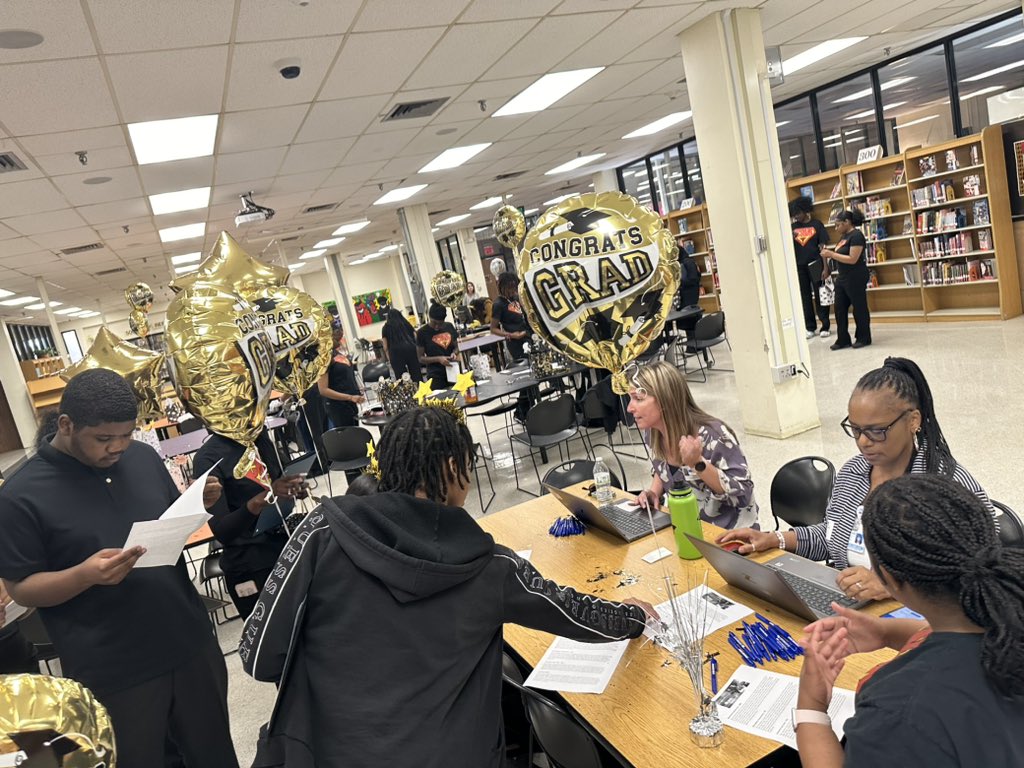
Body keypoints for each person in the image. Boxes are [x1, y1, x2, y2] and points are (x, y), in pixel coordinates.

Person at [239, 406, 658, 767]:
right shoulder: (490, 566)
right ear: (451, 472)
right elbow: (569, 611)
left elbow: (258, 657)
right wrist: (633, 616)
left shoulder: (320, 530)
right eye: (468, 469)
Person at [0, 369, 238, 768]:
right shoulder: (20, 494)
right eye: (104, 439)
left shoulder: (142, 457)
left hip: (189, 643)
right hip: (115, 667)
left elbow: (164, 524)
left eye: (127, 435)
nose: (118, 447)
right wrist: (84, 575)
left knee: (215, 755)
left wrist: (197, 503)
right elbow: (21, 587)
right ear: (66, 425)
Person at [719, 357, 993, 602]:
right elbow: (831, 537)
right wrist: (774, 539)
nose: (863, 442)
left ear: (913, 421)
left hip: (921, 626)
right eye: (856, 429)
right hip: (853, 608)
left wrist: (893, 586)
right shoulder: (854, 473)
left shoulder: (949, 484)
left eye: (876, 431)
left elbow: (985, 573)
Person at [795, 474, 1024, 767]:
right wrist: (885, 631)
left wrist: (810, 707)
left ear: (886, 577)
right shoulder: (1007, 610)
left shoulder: (901, 707)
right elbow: (958, 638)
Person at [628, 361, 759, 529]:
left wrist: (698, 463)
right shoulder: (652, 432)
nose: (629, 408)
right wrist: (653, 492)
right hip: (685, 526)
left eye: (638, 399)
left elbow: (743, 494)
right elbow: (662, 468)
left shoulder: (714, 436)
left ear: (665, 400)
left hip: (729, 535)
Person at [192, 428, 305, 619]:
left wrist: (293, 487)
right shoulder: (208, 458)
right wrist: (260, 501)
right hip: (250, 564)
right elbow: (222, 532)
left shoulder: (259, 438)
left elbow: (280, 479)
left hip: (285, 548)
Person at [820, 209, 870, 350]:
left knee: (859, 308)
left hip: (856, 276)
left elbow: (852, 259)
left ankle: (863, 337)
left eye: (838, 225)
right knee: (839, 308)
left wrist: (831, 254)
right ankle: (843, 339)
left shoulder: (857, 236)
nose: (836, 229)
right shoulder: (844, 237)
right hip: (842, 277)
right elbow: (839, 255)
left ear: (847, 222)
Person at [789, 196, 831, 339]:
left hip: (816, 264)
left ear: (806, 210)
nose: (796, 216)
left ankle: (825, 326)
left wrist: (825, 268)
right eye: (794, 214)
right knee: (805, 296)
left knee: (821, 295)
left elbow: (823, 247)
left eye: (798, 213)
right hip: (800, 266)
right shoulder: (792, 228)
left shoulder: (817, 225)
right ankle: (810, 327)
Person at [318, 328, 365, 429]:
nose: (341, 336)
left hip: (350, 404)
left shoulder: (336, 353)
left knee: (355, 435)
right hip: (338, 407)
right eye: (337, 333)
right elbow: (323, 390)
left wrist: (356, 389)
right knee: (347, 440)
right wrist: (350, 397)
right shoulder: (324, 358)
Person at [416, 302, 459, 386]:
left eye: (440, 324)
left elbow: (457, 347)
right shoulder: (422, 333)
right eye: (434, 323)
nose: (436, 326)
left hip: (452, 370)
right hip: (435, 375)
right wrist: (438, 359)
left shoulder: (449, 327)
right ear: (429, 317)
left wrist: (454, 353)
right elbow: (420, 358)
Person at [491, 272, 530, 361]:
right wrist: (511, 335)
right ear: (502, 287)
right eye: (510, 288)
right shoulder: (498, 304)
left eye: (514, 287)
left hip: (527, 336)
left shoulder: (515, 297)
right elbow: (493, 329)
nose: (513, 290)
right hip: (515, 342)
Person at [381, 308, 422, 382]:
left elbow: (385, 346)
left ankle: (406, 392)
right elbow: (415, 336)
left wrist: (389, 357)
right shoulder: (406, 323)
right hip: (410, 349)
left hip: (395, 352)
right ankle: (420, 389)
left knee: (401, 377)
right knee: (416, 373)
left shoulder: (385, 327)